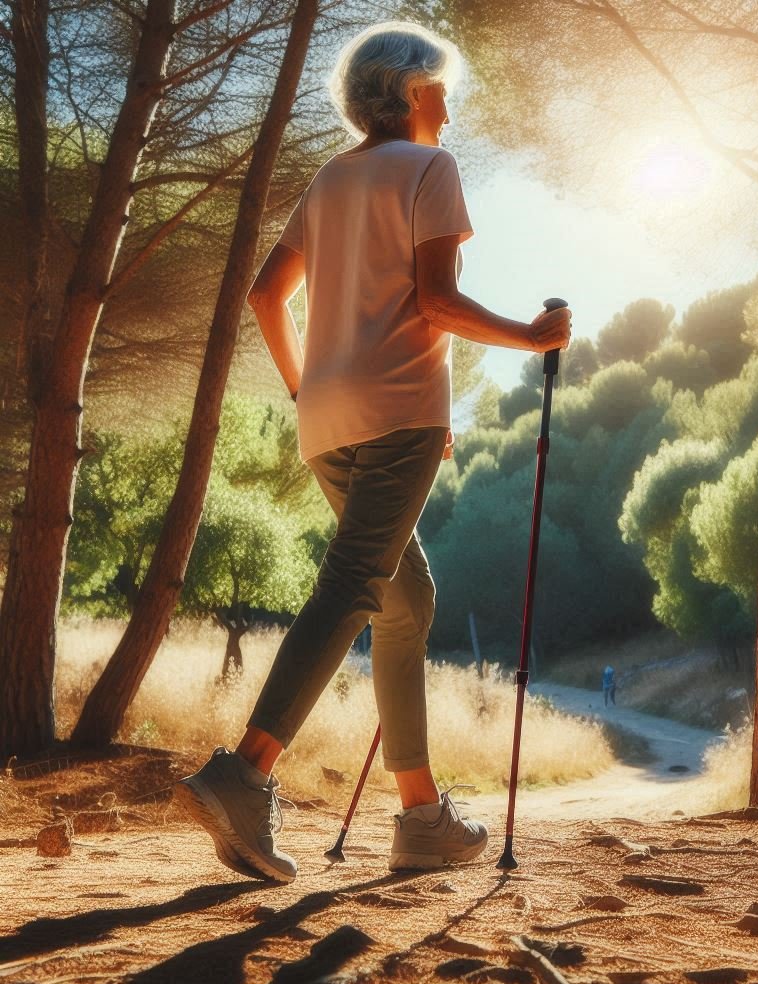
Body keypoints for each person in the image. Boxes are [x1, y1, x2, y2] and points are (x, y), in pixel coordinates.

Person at [174, 21, 571, 882]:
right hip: (397, 417)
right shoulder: (431, 170)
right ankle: (244, 774)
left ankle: (421, 816)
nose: (450, 110)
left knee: (406, 601)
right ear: (410, 90)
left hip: (328, 423)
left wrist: (304, 387)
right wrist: (529, 338)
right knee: (357, 584)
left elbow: (265, 296)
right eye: (442, 91)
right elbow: (434, 301)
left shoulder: (331, 177)